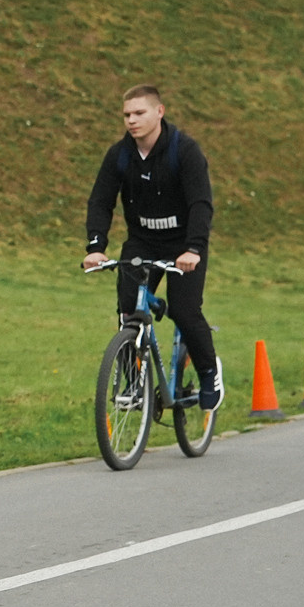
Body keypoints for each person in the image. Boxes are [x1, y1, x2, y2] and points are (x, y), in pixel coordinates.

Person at [82, 86, 222, 409]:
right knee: (128, 309)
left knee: (186, 311)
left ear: (159, 112)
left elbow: (201, 204)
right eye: (127, 115)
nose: (132, 121)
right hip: (142, 241)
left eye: (139, 113)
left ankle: (208, 372)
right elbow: (101, 201)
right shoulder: (119, 155)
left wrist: (195, 249)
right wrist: (95, 245)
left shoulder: (184, 151)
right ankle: (133, 385)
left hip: (184, 244)